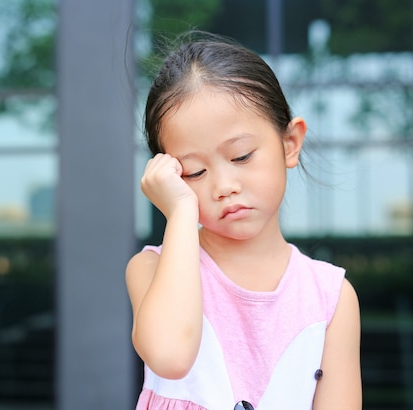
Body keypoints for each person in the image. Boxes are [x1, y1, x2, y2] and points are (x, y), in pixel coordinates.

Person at [125, 32, 362, 410]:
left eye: (241, 157)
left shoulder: (330, 297)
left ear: (290, 143)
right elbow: (170, 356)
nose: (223, 186)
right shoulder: (151, 269)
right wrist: (182, 211)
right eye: (195, 172)